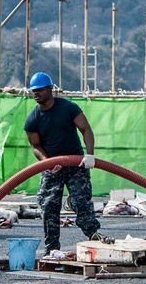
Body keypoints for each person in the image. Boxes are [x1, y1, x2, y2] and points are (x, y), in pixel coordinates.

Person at [23, 71, 114, 255]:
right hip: (52, 169)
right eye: (33, 91)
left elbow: (86, 129)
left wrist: (90, 155)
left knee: (82, 202)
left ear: (50, 89)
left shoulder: (68, 108)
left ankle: (94, 236)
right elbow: (36, 146)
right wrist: (46, 162)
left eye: (39, 90)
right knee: (48, 206)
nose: (36, 94)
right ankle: (52, 248)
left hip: (76, 166)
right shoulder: (32, 119)